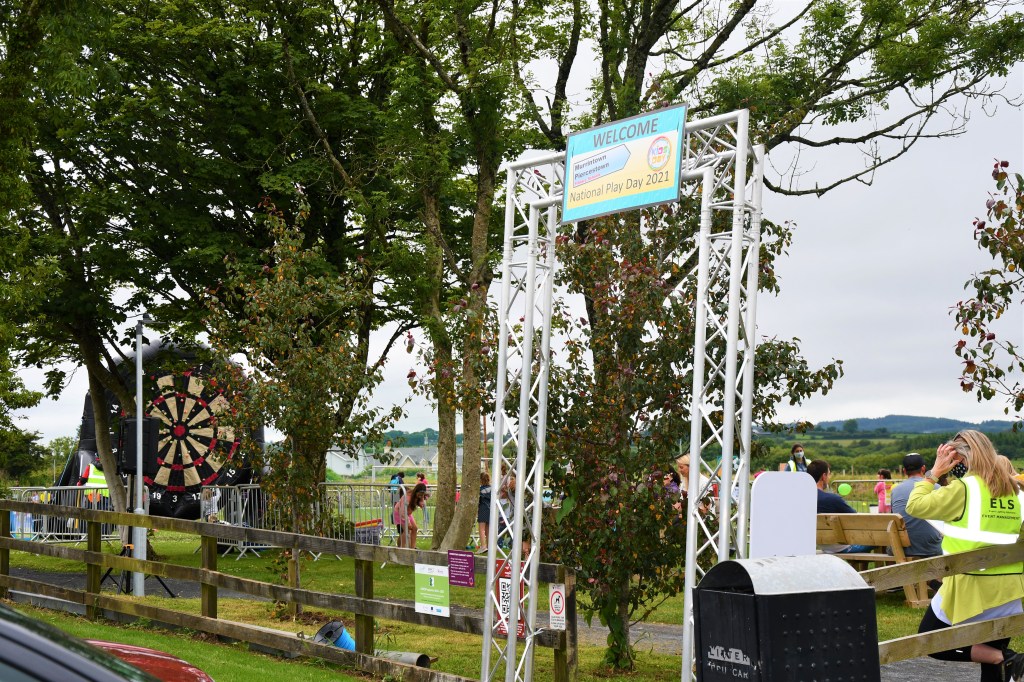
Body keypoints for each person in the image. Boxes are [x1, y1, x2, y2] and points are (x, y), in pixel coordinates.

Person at [907, 430, 1024, 681]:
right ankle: (1007, 659)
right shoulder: (1014, 489)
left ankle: (1007, 657)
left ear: (961, 458)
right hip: (1008, 587)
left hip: (968, 585)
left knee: (931, 639)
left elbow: (914, 505)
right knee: (992, 662)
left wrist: (934, 473)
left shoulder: (964, 488)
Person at [807, 459, 873, 554]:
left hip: (820, 544)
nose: (829, 478)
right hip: (841, 547)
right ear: (824, 476)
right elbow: (856, 518)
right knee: (881, 539)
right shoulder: (832, 499)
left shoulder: (802, 499)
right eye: (829, 474)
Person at [889, 453, 943, 558]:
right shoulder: (936, 487)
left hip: (902, 549)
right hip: (931, 548)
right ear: (923, 468)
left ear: (904, 471)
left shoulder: (895, 490)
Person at [393, 482, 428, 549]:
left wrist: (421, 503)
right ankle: (402, 548)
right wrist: (408, 522)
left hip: (408, 513)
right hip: (400, 513)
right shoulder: (407, 497)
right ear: (416, 491)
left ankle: (413, 548)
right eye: (420, 494)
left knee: (415, 528)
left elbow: (421, 501)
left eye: (422, 495)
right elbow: (402, 512)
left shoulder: (419, 496)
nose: (421, 496)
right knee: (406, 531)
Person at [477, 471, 492, 553]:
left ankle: (483, 546)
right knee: (488, 530)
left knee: (481, 529)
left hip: (483, 508)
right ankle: (489, 546)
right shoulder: (492, 488)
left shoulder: (480, 490)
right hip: (491, 510)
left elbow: (478, 501)